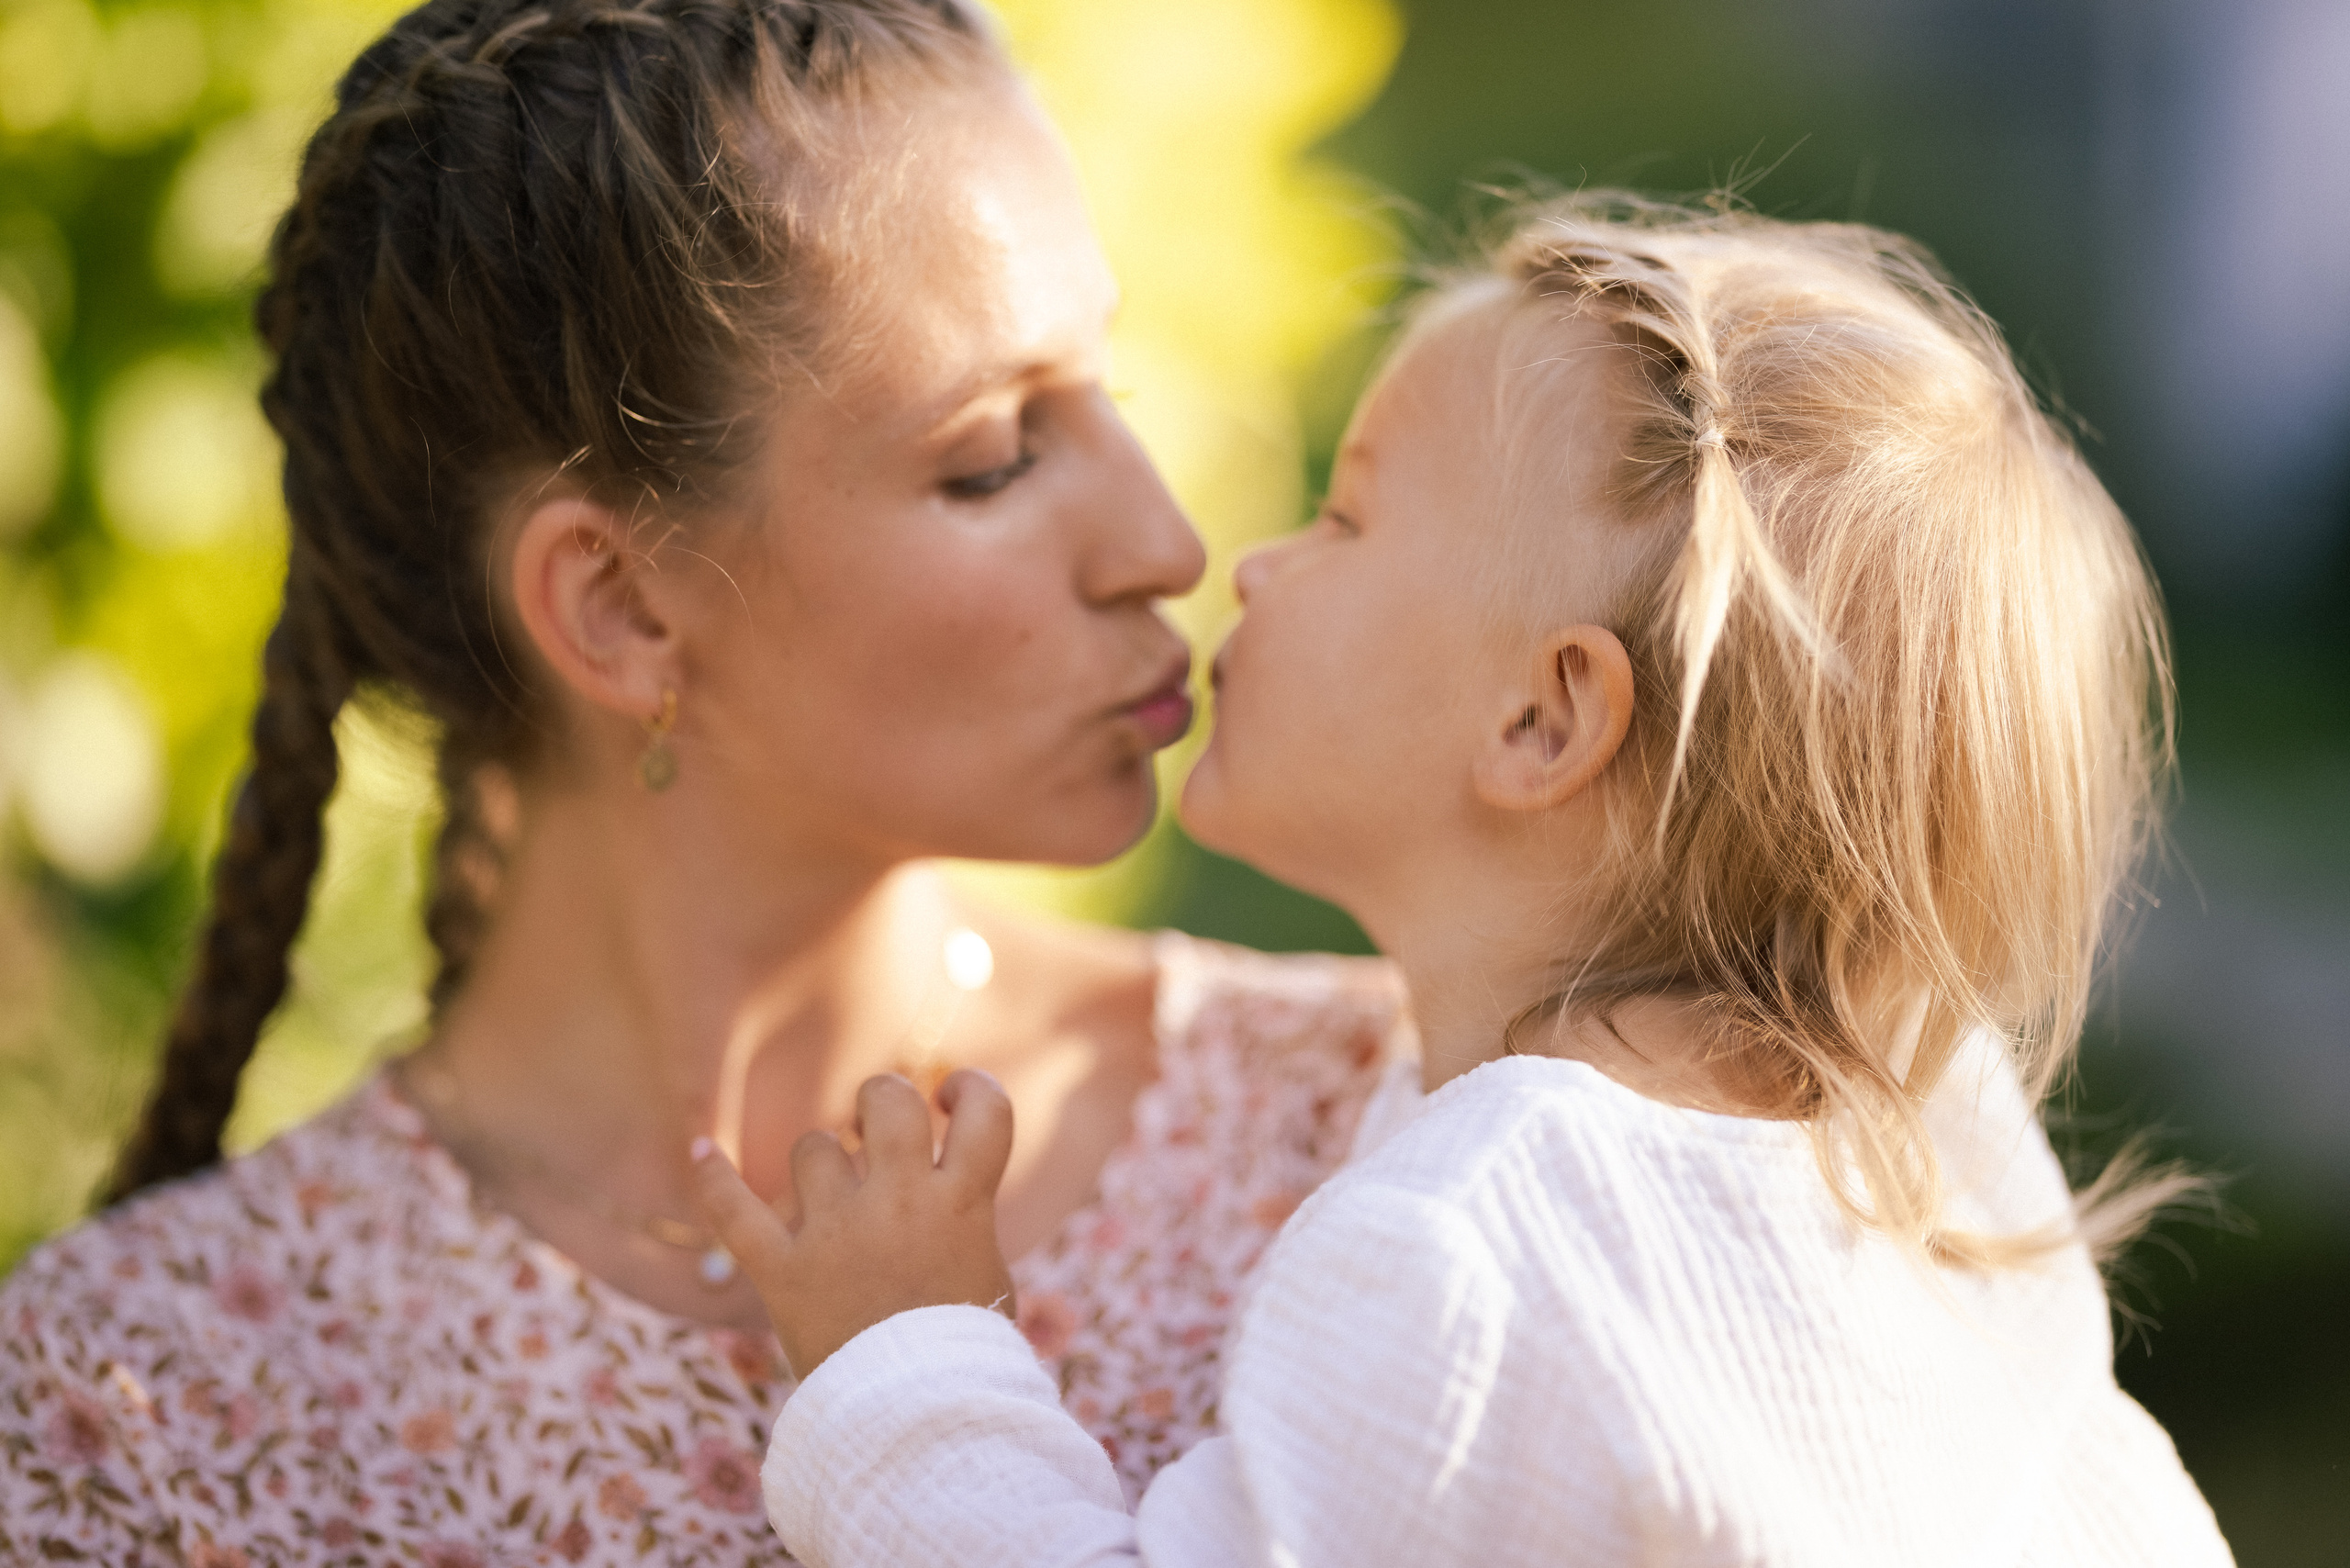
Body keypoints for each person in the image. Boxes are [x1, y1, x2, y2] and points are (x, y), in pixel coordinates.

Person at [0, 2, 1411, 1562]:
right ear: (623, 609)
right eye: (997, 454)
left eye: (1108, 397)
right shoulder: (141, 1410)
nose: (1166, 543)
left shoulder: (1393, 1145)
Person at [694, 197, 2236, 1565]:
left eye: (1347, 515)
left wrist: (907, 1360)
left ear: (1544, 720)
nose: (1248, 565)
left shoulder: (1468, 1249)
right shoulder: (1923, 1137)